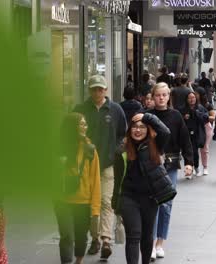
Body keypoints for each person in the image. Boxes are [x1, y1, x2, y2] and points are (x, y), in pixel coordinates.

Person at [73, 75, 127, 259]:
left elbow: (122, 134)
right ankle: (94, 238)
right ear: (89, 90)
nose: (97, 92)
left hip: (107, 165)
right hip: (84, 166)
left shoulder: (116, 110)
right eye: (94, 89)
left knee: (106, 202)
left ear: (106, 90)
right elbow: (70, 134)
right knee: (89, 204)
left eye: (100, 89)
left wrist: (116, 151)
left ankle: (106, 240)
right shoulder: (80, 110)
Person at [112, 112, 175, 264]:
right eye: (135, 127)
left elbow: (165, 131)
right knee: (133, 235)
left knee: (147, 237)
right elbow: (118, 178)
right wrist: (115, 201)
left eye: (142, 127)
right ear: (129, 129)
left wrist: (145, 116)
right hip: (129, 198)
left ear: (148, 130)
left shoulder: (155, 144)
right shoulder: (122, 150)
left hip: (150, 198)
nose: (138, 130)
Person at [147, 82, 194, 259]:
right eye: (158, 95)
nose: (161, 98)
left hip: (171, 164)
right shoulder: (147, 116)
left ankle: (160, 242)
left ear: (169, 97)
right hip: (151, 165)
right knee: (152, 204)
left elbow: (185, 141)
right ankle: (150, 243)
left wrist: (189, 162)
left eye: (164, 95)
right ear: (152, 97)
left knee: (166, 205)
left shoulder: (176, 116)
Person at [56, 113, 101, 264]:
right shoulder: (59, 148)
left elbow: (95, 180)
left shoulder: (90, 149)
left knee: (81, 236)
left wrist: (95, 208)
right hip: (62, 200)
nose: (84, 127)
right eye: (81, 124)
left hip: (83, 201)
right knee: (66, 235)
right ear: (71, 127)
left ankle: (79, 261)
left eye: (85, 124)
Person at [180, 92, 209, 179]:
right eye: (189, 98)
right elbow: (178, 120)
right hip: (186, 133)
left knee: (195, 152)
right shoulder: (183, 109)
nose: (192, 99)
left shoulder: (200, 108)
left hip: (197, 133)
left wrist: (197, 113)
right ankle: (188, 171)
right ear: (186, 99)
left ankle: (196, 168)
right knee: (186, 153)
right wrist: (184, 117)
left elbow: (206, 118)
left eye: (193, 97)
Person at [197, 89, 216, 177]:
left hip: (206, 126)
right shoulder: (192, 104)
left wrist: (202, 115)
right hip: (195, 126)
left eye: (196, 94)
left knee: (204, 148)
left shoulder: (208, 105)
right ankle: (195, 167)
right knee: (193, 147)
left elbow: (213, 117)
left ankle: (205, 167)